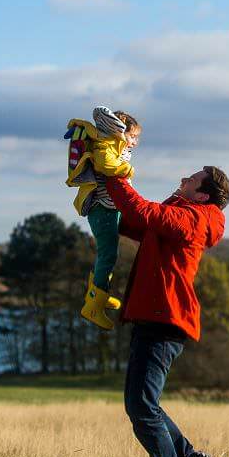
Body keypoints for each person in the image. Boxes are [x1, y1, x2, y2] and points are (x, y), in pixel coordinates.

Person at [105, 166, 229, 457]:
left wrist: (113, 177)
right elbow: (134, 223)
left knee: (142, 406)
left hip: (165, 321)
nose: (183, 179)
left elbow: (143, 211)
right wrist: (104, 199)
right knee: (145, 404)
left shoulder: (195, 219)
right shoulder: (183, 210)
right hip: (154, 319)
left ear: (203, 194)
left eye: (191, 179)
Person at [64, 106, 141, 330]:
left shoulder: (114, 145)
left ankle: (99, 292)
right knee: (108, 254)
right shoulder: (106, 144)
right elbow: (104, 165)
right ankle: (93, 305)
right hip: (102, 209)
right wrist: (127, 170)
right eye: (132, 136)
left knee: (107, 254)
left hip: (109, 208)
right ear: (119, 131)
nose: (135, 142)